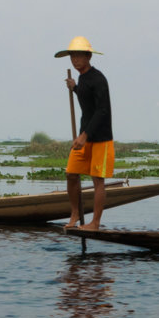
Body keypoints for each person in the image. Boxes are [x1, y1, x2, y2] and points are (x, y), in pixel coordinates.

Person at [57, 36, 113, 230]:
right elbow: (87, 100)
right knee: (71, 174)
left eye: (79, 56)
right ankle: (74, 215)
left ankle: (95, 223)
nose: (75, 60)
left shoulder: (99, 79)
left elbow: (101, 110)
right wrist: (75, 89)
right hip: (85, 136)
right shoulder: (83, 78)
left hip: (100, 138)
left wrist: (85, 135)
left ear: (88, 56)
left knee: (98, 180)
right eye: (72, 56)